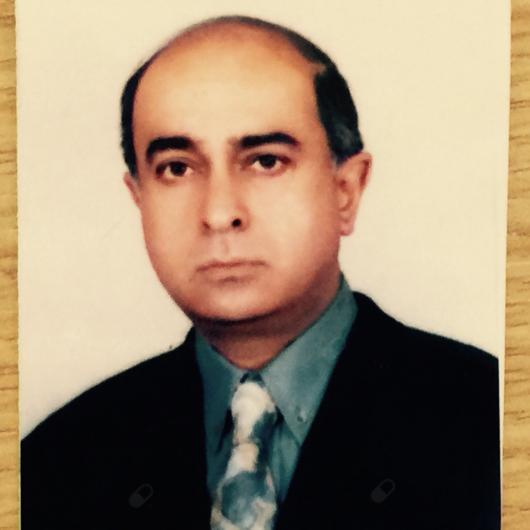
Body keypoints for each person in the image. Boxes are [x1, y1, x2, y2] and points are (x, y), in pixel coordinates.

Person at [21, 15, 500, 530]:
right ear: (138, 198)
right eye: (177, 168)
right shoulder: (55, 465)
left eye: (266, 161)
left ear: (346, 191)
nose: (219, 212)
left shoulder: (491, 422)